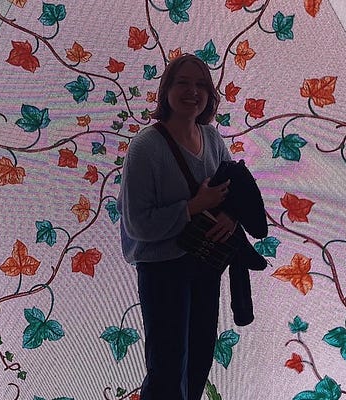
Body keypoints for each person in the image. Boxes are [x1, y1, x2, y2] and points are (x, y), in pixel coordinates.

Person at [117, 54, 236, 400]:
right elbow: (137, 224)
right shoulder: (145, 147)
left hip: (205, 262)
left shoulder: (212, 138)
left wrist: (231, 215)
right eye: (182, 82)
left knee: (199, 359)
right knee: (167, 368)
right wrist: (193, 206)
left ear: (210, 95)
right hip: (163, 270)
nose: (192, 92)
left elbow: (236, 188)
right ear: (166, 89)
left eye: (200, 85)